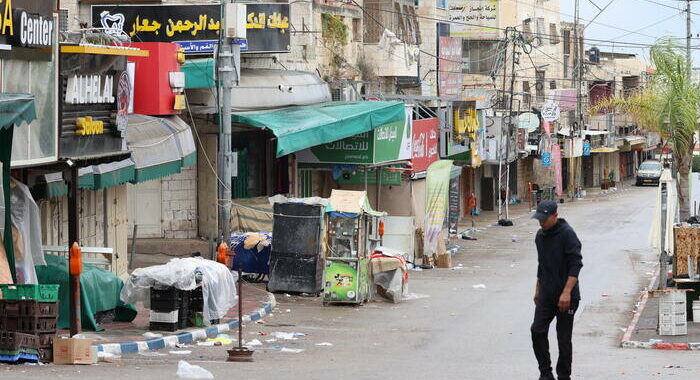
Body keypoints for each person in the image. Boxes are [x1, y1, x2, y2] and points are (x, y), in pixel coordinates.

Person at [531, 200, 583, 380]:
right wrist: (538, 290)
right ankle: (545, 373)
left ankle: (564, 376)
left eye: (544, 219)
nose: (541, 223)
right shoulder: (540, 236)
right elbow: (542, 265)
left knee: (563, 338)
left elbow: (575, 265)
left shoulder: (567, 234)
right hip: (547, 293)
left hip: (567, 296)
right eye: (539, 219)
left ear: (555, 216)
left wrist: (567, 292)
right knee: (537, 331)